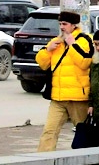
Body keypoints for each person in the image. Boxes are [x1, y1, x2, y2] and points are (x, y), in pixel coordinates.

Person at [35, 10, 93, 151]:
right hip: (58, 97)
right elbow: (42, 64)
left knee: (83, 132)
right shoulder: (56, 42)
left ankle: (87, 158)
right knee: (49, 131)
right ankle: (43, 160)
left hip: (78, 98)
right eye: (60, 24)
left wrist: (72, 44)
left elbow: (85, 62)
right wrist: (48, 50)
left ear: (73, 25)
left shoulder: (84, 40)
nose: (62, 27)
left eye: (65, 24)